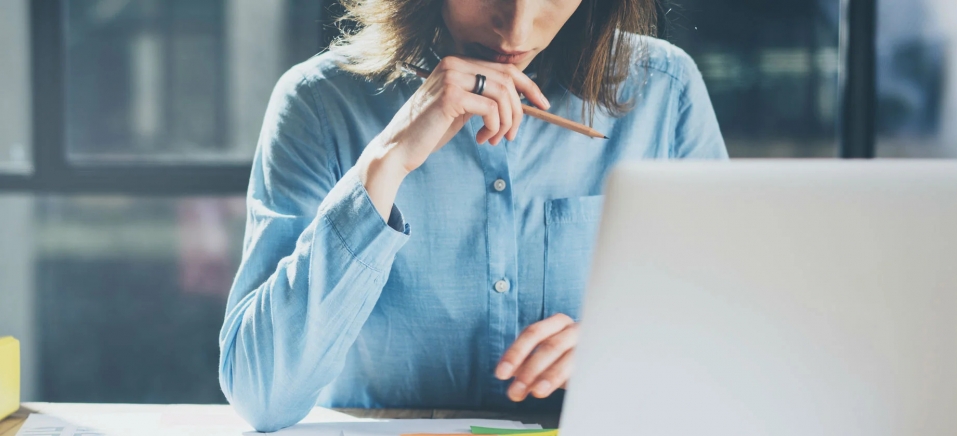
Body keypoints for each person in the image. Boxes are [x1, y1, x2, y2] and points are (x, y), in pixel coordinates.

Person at [218, 0, 727, 431]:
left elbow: (731, 344)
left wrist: (632, 346)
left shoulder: (666, 91)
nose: (517, 29)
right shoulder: (318, 103)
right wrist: (386, 164)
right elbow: (261, 394)